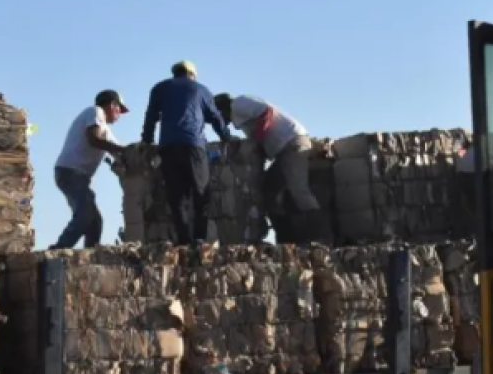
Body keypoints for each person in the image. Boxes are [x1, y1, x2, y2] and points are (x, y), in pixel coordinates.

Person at [214, 93, 329, 243]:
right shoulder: (240, 115)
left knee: (299, 190)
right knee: (268, 192)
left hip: (292, 143)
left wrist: (256, 140)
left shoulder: (238, 104)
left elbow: (266, 112)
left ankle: (321, 237)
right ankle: (286, 239)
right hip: (282, 151)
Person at [141, 61, 230, 245]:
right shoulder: (201, 89)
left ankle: (183, 240)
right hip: (194, 146)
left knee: (176, 196)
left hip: (167, 147)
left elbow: (151, 117)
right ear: (192, 74)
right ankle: (199, 239)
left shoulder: (159, 88)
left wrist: (147, 140)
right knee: (201, 193)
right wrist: (226, 136)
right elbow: (215, 118)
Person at [52, 90, 128, 249]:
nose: (120, 114)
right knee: (85, 214)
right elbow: (94, 139)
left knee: (95, 221)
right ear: (112, 104)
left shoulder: (104, 128)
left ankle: (89, 256)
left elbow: (119, 149)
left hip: (77, 176)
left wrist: (127, 154)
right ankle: (59, 250)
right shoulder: (95, 112)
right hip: (70, 172)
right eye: (119, 109)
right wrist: (122, 152)